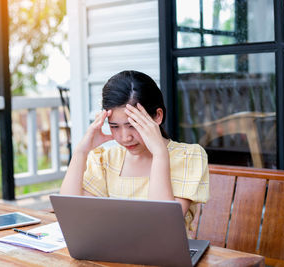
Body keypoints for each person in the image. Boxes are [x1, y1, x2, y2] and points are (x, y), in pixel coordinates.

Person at [60, 70, 209, 237]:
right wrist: (81, 152)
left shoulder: (188, 157)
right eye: (115, 126)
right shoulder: (106, 159)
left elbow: (161, 225)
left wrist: (160, 154)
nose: (125, 137)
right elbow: (70, 216)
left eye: (133, 124)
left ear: (157, 116)